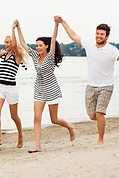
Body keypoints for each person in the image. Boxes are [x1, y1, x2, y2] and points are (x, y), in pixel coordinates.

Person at [55, 15, 119, 148]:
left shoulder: (111, 50)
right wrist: (62, 22)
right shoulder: (89, 44)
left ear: (107, 36)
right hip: (91, 86)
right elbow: (73, 36)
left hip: (106, 86)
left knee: (100, 113)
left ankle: (100, 140)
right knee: (92, 116)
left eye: (102, 34)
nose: (99, 36)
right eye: (97, 33)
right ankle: (102, 121)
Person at [15, 18, 75, 153]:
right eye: (36, 46)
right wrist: (18, 27)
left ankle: (70, 128)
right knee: (36, 118)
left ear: (46, 46)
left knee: (54, 119)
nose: (38, 48)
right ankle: (37, 146)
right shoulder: (35, 56)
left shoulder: (50, 57)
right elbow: (23, 43)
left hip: (52, 88)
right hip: (39, 89)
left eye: (40, 45)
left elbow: (53, 39)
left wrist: (56, 24)